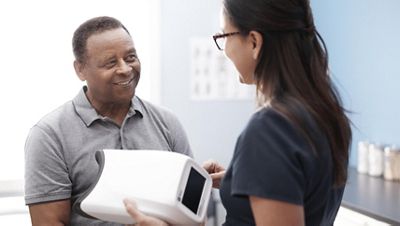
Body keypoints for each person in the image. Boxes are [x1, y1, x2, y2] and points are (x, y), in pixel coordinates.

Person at [123, 0, 352, 225]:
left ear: (254, 42)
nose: (225, 51)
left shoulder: (271, 129)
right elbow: (299, 188)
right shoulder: (325, 112)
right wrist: (241, 180)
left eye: (224, 37)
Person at [24, 16, 193, 226]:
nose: (125, 69)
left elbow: (193, 217)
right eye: (110, 62)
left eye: (130, 57)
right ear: (80, 70)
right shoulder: (49, 136)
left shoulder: (167, 123)